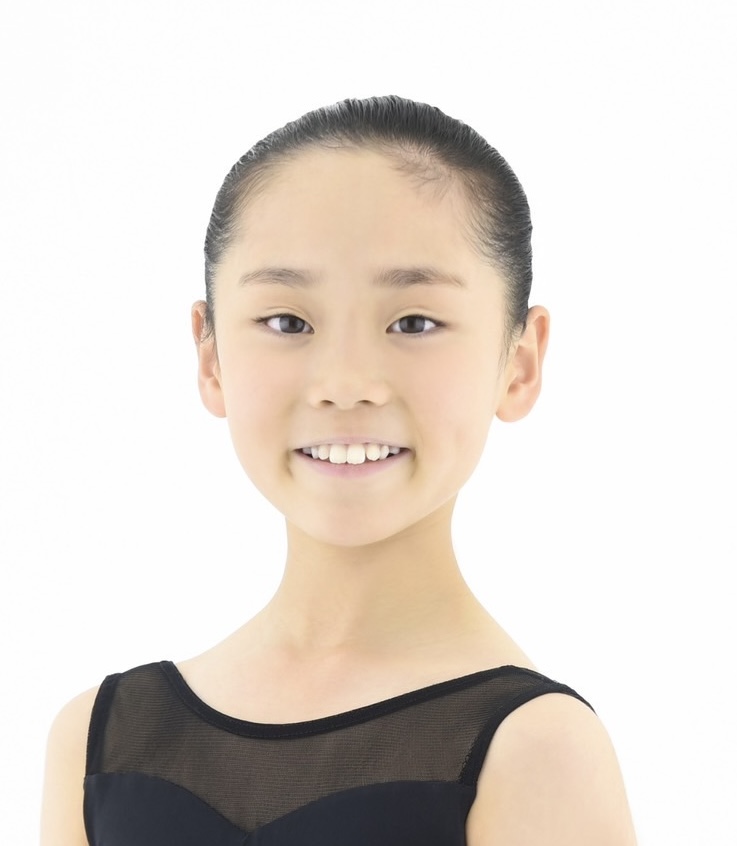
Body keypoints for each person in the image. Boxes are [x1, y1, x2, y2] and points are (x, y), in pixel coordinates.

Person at [40, 95, 637, 845]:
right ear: (211, 355)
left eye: (413, 322)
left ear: (518, 362)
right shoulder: (97, 740)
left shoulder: (537, 752)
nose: (346, 382)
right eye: (287, 321)